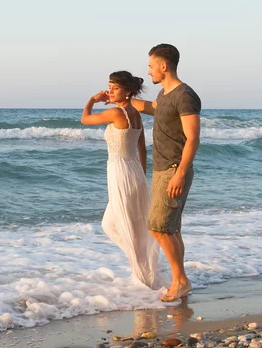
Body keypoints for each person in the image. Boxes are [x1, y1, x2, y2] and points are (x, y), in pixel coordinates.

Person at [130, 43, 201, 302]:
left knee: (158, 227)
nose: (148, 72)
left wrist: (180, 173)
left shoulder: (184, 95)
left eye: (150, 66)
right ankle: (179, 280)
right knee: (171, 229)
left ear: (163, 65)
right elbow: (155, 108)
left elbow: (193, 138)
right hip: (163, 168)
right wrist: (126, 100)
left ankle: (181, 280)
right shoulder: (164, 94)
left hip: (173, 169)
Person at [81, 71, 160, 289]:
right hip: (134, 171)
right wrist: (141, 176)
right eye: (109, 87)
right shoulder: (136, 114)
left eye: (114, 88)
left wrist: (92, 100)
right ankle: (141, 267)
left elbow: (85, 119)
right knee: (118, 224)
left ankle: (141, 273)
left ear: (127, 91)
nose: (110, 91)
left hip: (120, 172)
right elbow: (143, 149)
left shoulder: (117, 113)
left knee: (122, 226)